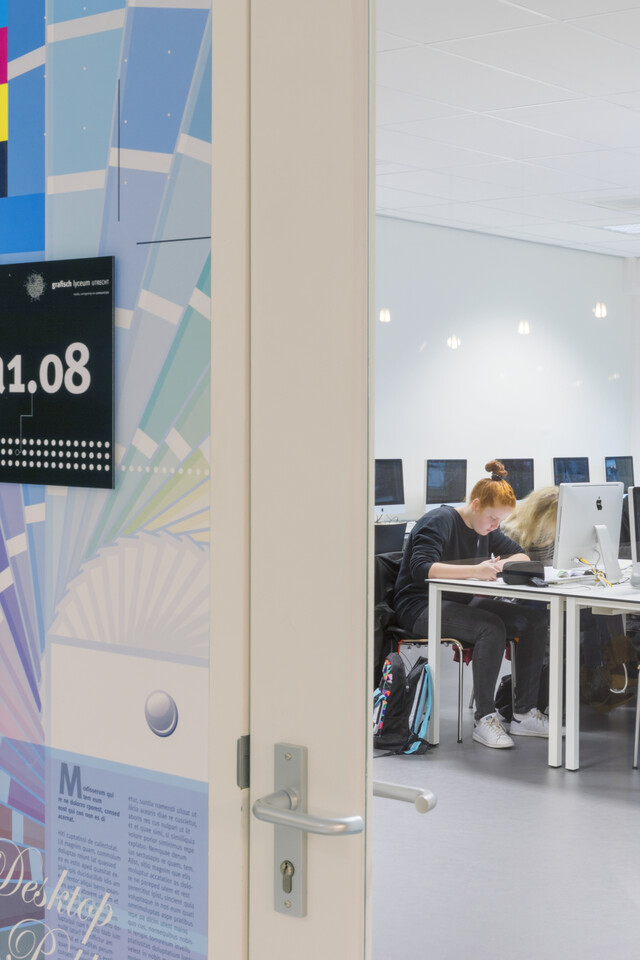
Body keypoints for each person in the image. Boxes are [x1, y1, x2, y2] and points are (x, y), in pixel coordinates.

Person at [393, 460, 549, 749]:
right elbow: (421, 568)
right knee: (490, 627)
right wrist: (476, 570)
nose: (495, 526)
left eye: (500, 521)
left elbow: (521, 556)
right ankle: (485, 719)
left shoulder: (485, 528)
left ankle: (524, 714)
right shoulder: (439, 520)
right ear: (476, 504)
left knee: (534, 620)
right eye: (493, 518)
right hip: (419, 606)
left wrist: (499, 565)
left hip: (458, 601)